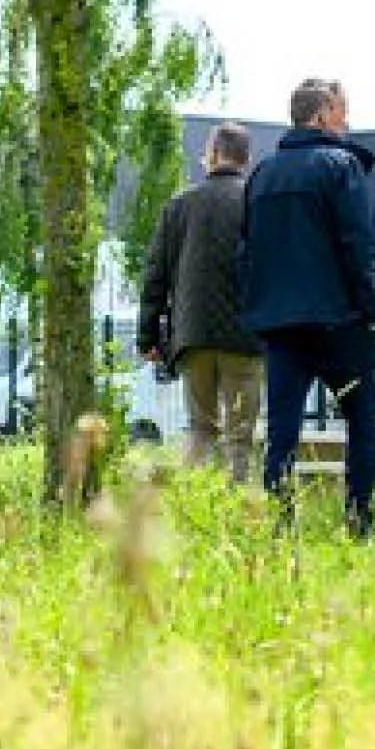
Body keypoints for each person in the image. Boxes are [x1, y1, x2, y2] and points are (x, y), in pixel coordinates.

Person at [239, 78, 375, 536]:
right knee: (361, 420)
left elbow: (246, 251)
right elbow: (358, 243)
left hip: (281, 325)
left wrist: (256, 308)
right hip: (338, 321)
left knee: (282, 428)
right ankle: (359, 521)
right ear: (321, 114)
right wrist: (371, 306)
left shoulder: (262, 174)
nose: (348, 120)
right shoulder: (342, 166)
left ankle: (282, 524)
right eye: (342, 110)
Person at [138, 122, 264, 481]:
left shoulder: (179, 205)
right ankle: (241, 513)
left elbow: (155, 276)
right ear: (246, 158)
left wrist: (148, 337)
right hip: (245, 336)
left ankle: (194, 505)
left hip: (192, 335)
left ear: (212, 154)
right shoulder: (256, 202)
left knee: (200, 429)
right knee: (241, 435)